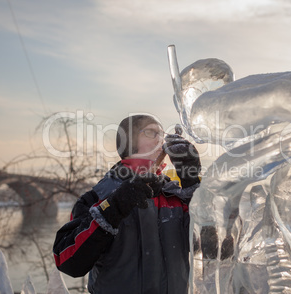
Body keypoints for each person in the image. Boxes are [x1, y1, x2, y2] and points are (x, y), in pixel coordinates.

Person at [53, 114, 201, 294]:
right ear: (127, 142)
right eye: (151, 132)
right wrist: (112, 209)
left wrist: (194, 186)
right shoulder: (98, 197)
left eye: (161, 134)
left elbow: (216, 249)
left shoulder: (176, 197)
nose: (161, 140)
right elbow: (68, 261)